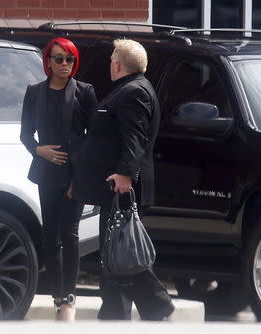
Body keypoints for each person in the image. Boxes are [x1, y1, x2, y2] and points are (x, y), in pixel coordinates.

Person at [73, 39, 175, 321]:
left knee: (120, 251)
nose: (109, 65)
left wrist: (126, 174)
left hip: (122, 187)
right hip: (114, 186)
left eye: (111, 60)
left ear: (117, 64)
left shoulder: (134, 93)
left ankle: (151, 304)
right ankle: (123, 313)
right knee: (117, 253)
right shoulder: (127, 90)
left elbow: (135, 138)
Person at [20, 37, 97, 321]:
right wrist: (39, 150)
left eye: (70, 59)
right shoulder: (34, 92)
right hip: (46, 172)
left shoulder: (85, 92)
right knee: (49, 235)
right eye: (59, 59)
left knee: (70, 233)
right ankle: (56, 296)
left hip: (74, 174)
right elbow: (25, 134)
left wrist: (81, 177)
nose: (65, 64)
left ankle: (70, 296)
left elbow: (93, 140)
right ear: (48, 62)